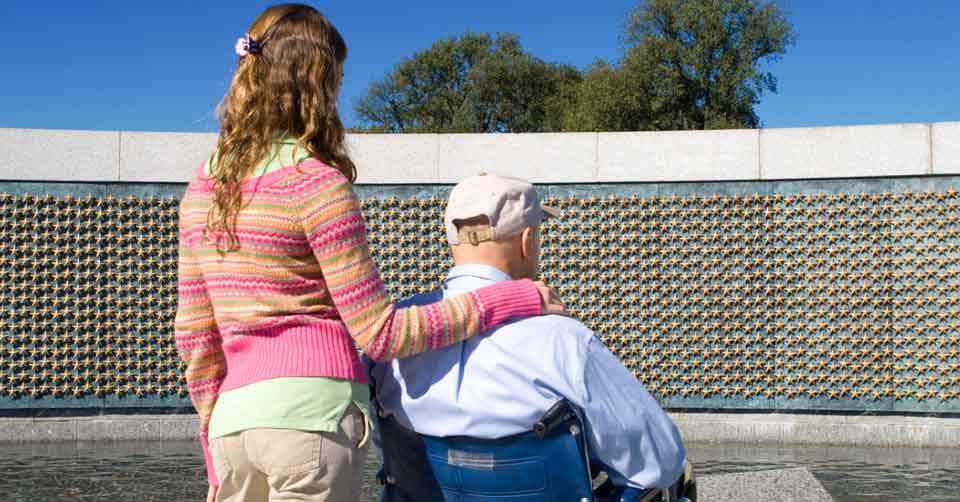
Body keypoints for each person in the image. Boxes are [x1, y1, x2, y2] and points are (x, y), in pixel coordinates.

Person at [174, 6, 564, 502]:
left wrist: (213, 441)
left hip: (233, 427)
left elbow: (194, 335)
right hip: (310, 420)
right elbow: (383, 334)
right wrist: (517, 299)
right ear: (319, 84)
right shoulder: (315, 183)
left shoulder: (203, 189)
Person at [370, 174, 690, 500]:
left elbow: (391, 460)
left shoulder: (396, 337)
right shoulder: (565, 342)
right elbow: (661, 462)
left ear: (452, 240)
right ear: (526, 241)